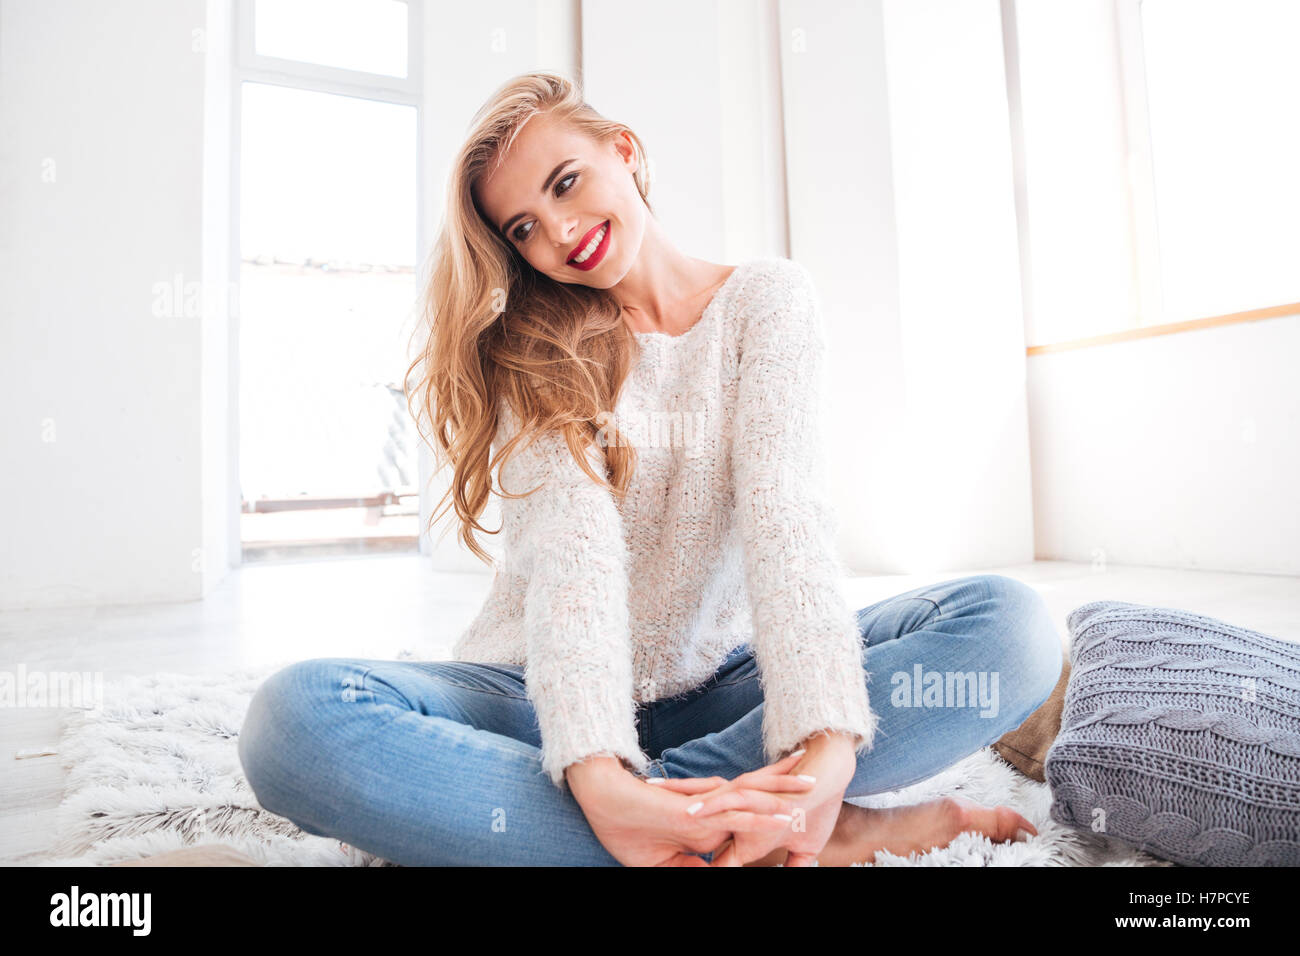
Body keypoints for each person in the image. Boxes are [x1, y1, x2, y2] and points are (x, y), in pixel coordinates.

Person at [237, 71, 1063, 867]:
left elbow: (789, 524)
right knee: (293, 723)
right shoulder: (538, 347)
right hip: (535, 700)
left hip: (730, 684)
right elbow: (573, 570)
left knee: (1012, 627)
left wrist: (825, 749)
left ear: (624, 151)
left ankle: (644, 822)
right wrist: (598, 773)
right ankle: (767, 828)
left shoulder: (766, 301)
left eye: (565, 183)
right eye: (522, 227)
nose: (557, 232)